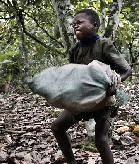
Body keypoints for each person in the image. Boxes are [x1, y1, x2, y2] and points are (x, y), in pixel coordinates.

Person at [51, 9, 132, 164]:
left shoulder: (103, 45)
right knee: (57, 127)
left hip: (104, 100)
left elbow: (127, 70)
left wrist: (112, 84)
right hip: (83, 98)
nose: (75, 26)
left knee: (100, 140)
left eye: (80, 22)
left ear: (94, 25)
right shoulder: (75, 49)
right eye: (74, 24)